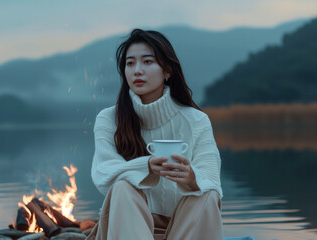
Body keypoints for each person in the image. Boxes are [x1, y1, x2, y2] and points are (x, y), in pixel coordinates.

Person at [87, 29, 223, 240]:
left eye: (147, 62)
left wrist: (191, 177)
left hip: (181, 230)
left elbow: (213, 181)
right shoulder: (109, 119)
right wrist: (147, 166)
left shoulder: (196, 121)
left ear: (168, 70)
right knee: (123, 186)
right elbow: (104, 173)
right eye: (130, 63)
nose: (137, 71)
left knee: (207, 192)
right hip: (125, 229)